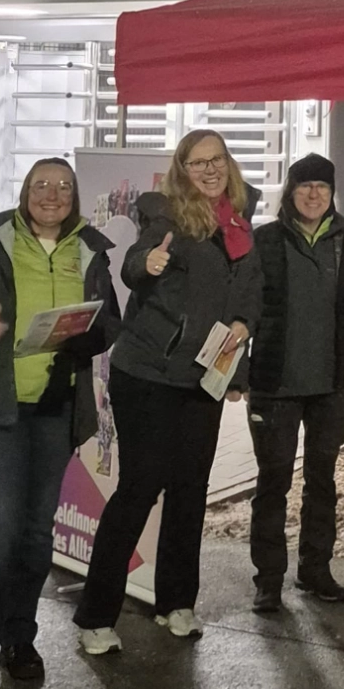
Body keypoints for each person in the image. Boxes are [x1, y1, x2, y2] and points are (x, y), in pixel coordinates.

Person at [0, 157, 120, 689]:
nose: (52, 195)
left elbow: (109, 321)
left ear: (75, 196)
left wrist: (91, 337)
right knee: (0, 528)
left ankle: (20, 640)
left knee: (38, 534)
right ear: (25, 192)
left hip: (55, 408)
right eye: (41, 185)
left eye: (63, 187)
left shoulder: (90, 248)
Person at [72, 129, 261, 654]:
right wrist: (146, 264)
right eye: (197, 162)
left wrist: (245, 324)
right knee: (138, 491)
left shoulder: (240, 226)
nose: (209, 169)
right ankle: (95, 617)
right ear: (182, 169)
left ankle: (176, 603)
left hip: (204, 379)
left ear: (228, 164)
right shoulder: (167, 217)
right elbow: (135, 262)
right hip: (149, 375)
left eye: (216, 159)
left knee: (190, 493)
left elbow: (252, 294)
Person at [242, 152, 344, 611]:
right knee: (272, 481)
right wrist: (236, 372)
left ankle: (315, 569)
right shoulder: (264, 240)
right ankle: (268, 578)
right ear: (290, 191)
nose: (315, 194)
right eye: (306, 186)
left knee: (322, 481)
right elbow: (245, 308)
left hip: (329, 384)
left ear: (332, 192)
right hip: (274, 384)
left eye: (323, 186)